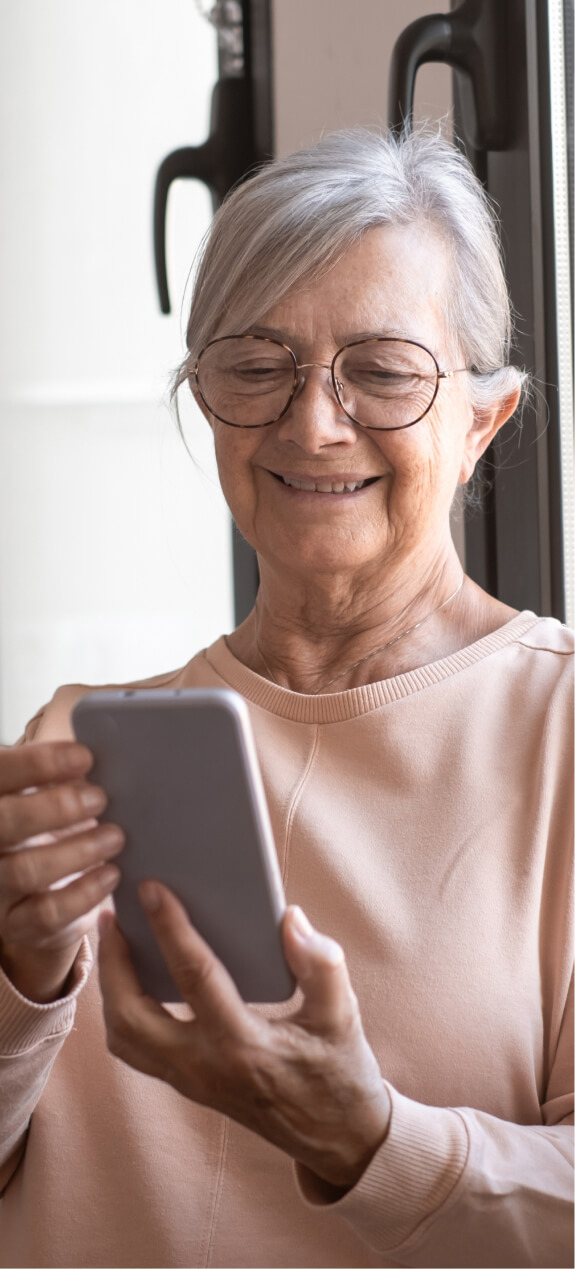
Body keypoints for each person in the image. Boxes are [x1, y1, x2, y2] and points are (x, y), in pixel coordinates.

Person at [0, 127, 572, 1269]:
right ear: (205, 403)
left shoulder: (554, 735)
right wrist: (18, 981)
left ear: (480, 422)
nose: (312, 423)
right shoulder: (76, 746)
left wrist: (368, 1140)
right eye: (255, 367)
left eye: (382, 370)